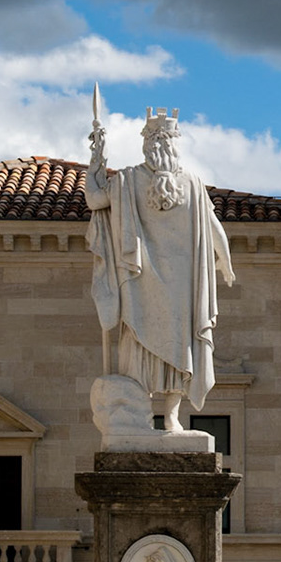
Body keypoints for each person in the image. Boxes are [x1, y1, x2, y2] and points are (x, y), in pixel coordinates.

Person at [86, 107, 235, 432]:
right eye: (156, 140)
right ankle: (150, 415)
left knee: (174, 349)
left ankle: (169, 417)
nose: (159, 145)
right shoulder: (129, 180)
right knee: (151, 345)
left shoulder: (187, 184)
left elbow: (211, 226)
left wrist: (225, 259)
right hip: (149, 285)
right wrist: (97, 159)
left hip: (173, 285)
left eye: (162, 140)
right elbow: (96, 200)